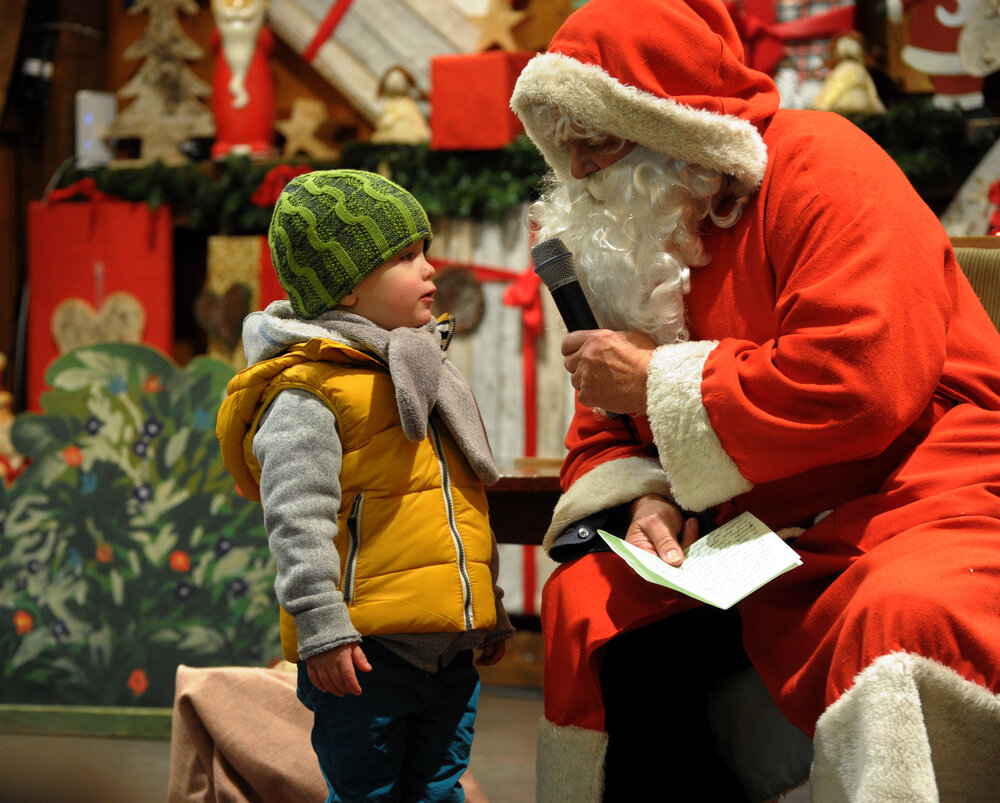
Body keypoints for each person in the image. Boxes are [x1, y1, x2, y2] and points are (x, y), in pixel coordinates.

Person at [509, 0, 1000, 800]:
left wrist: (656, 383)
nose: (578, 166)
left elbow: (861, 376)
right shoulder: (631, 239)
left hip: (922, 498)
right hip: (753, 536)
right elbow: (608, 426)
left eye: (594, 132)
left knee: (903, 618)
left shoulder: (823, 164)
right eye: (560, 138)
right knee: (592, 610)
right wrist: (647, 499)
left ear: (670, 121)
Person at [216, 169, 513, 801]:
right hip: (365, 657)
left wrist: (487, 605)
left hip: (448, 650)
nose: (431, 269)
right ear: (347, 286)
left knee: (439, 789)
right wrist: (321, 625)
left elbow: (455, 503)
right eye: (407, 257)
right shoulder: (309, 390)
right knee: (367, 792)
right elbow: (298, 519)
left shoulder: (420, 368)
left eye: (425, 250)